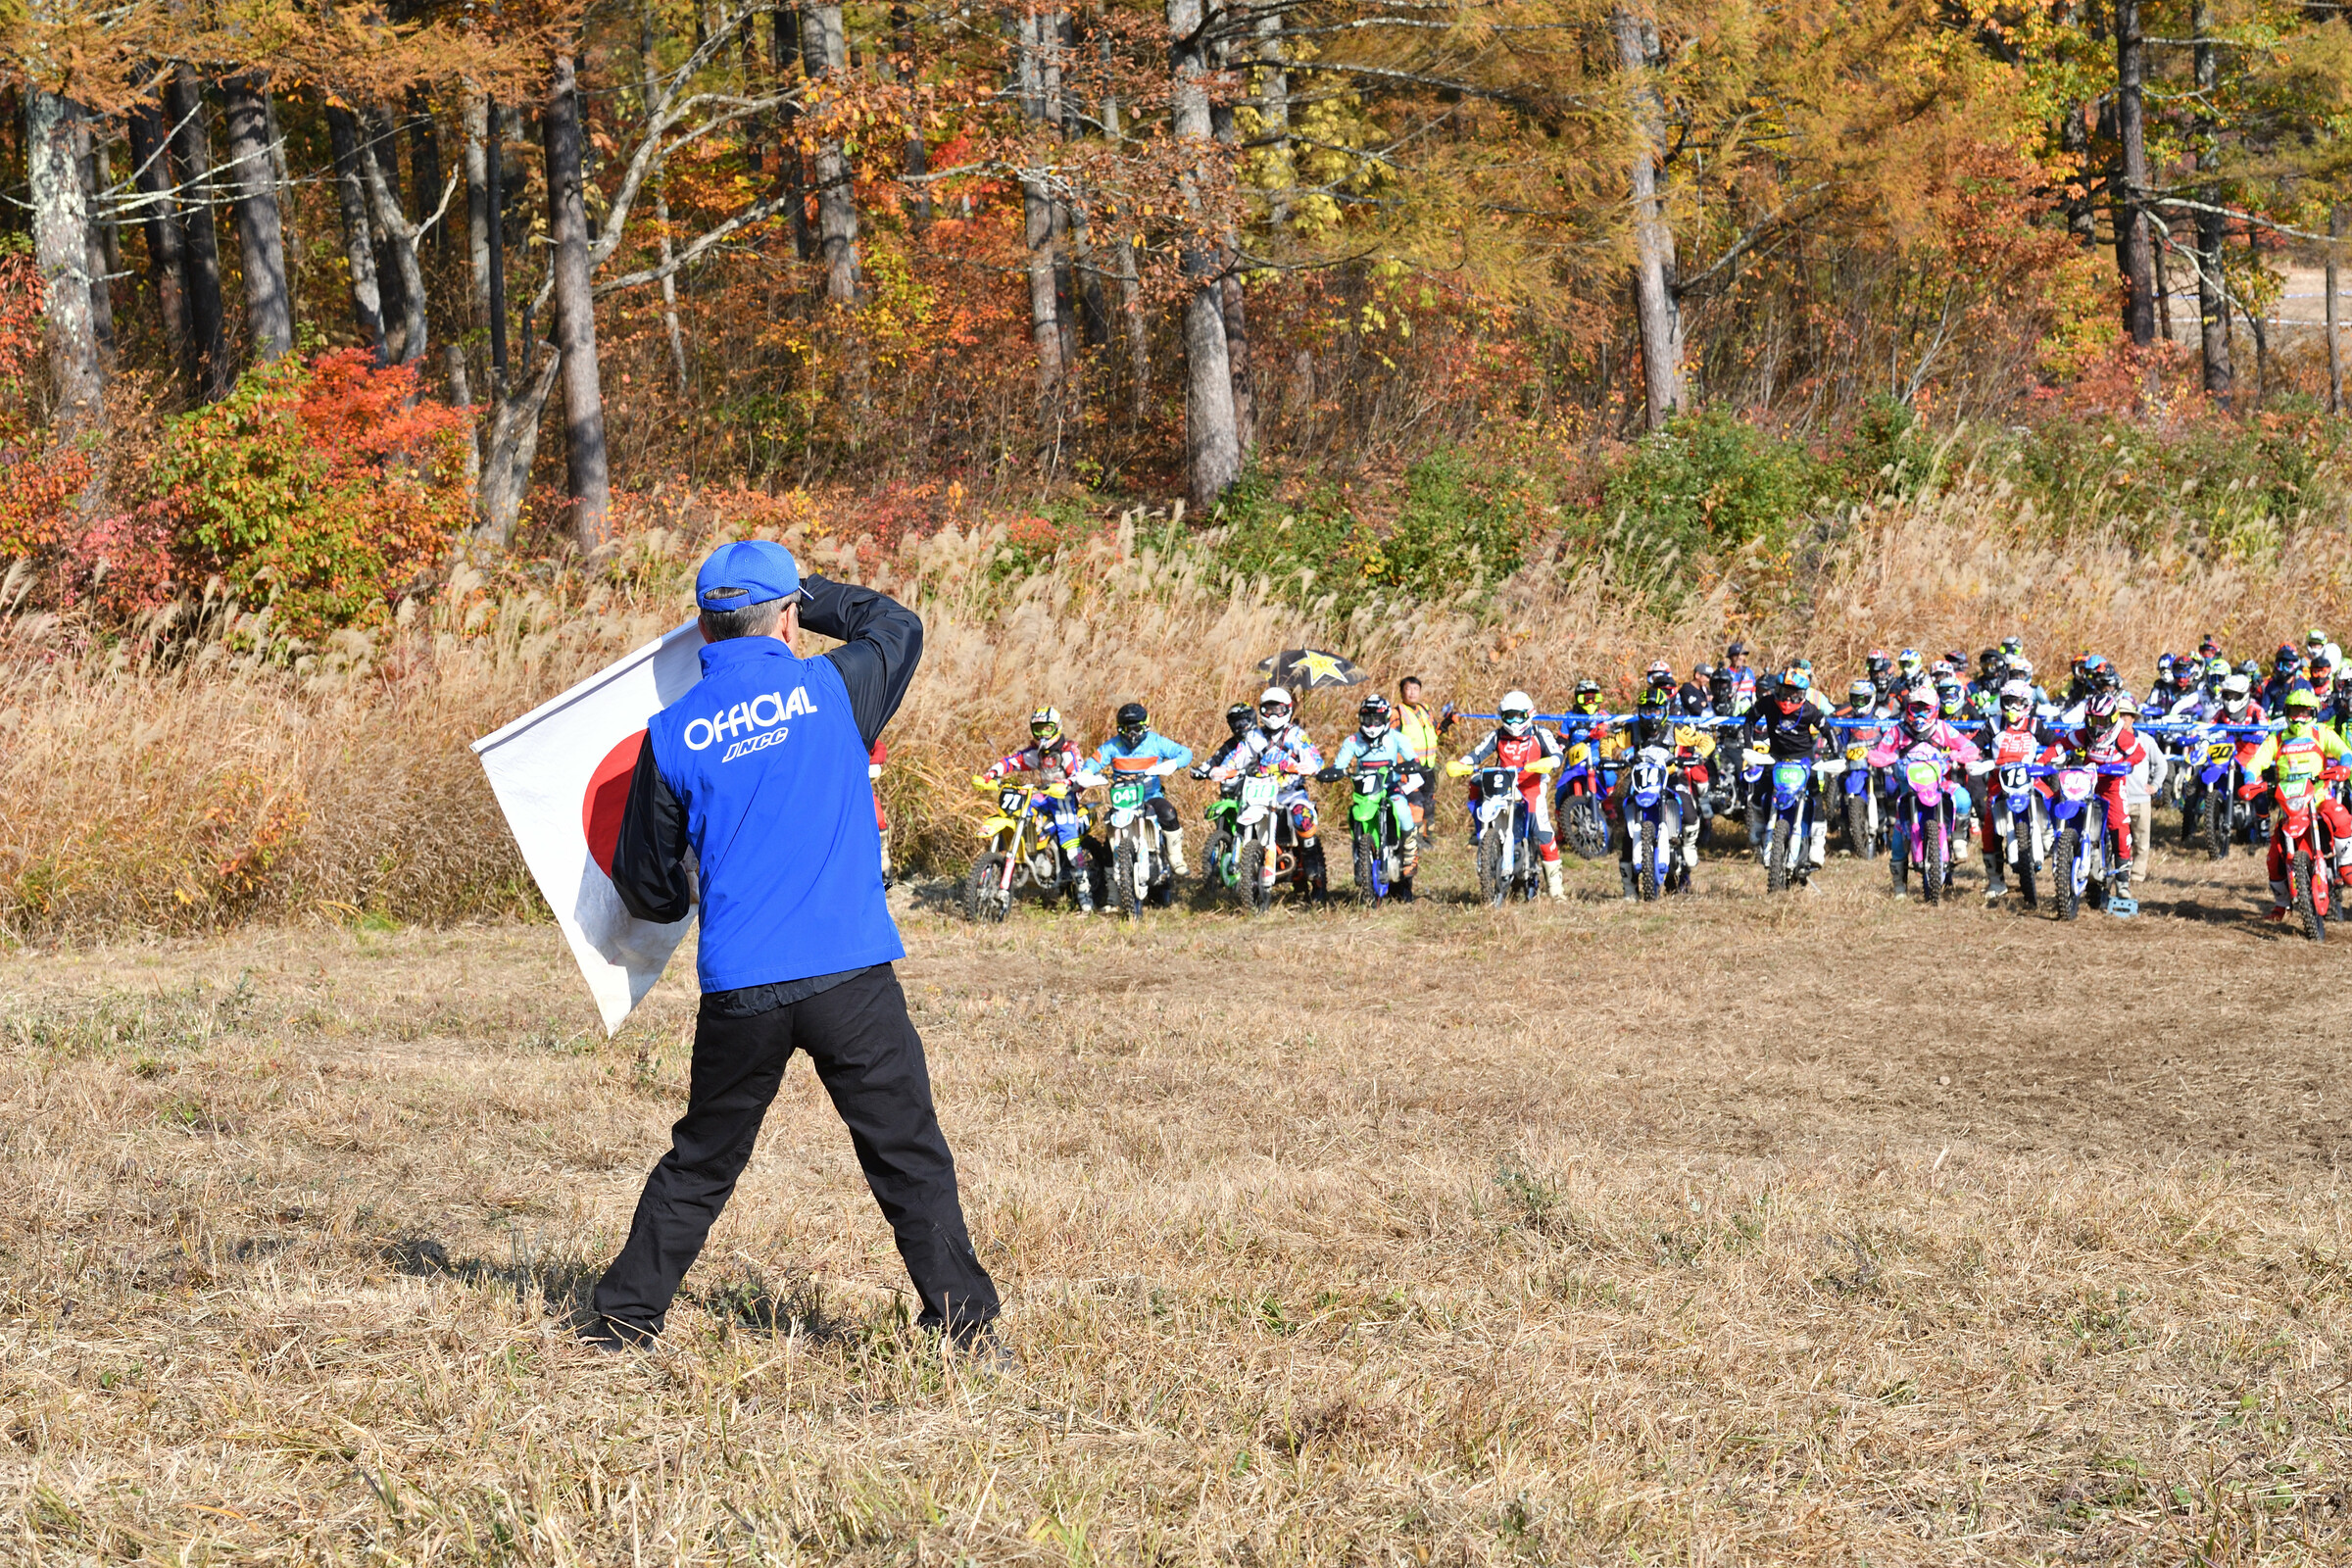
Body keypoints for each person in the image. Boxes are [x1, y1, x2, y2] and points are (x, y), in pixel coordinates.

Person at [593, 539, 1000, 1357]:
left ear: (705, 629)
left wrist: (679, 899)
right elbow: (896, 624)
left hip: (741, 987)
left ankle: (622, 1322)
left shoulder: (669, 736)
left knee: (703, 1159)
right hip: (851, 975)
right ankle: (965, 1329)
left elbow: (643, 881)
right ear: (787, 619)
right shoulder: (835, 688)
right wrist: (808, 592)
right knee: (906, 1153)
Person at [2238, 686, 2352, 919]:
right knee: (2273, 858)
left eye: (2304, 712)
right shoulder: (2277, 738)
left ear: (2313, 713)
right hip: (2289, 806)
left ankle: (2347, 864)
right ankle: (2281, 905)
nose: (2299, 717)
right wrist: (2250, 779)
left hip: (2318, 799)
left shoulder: (2321, 733)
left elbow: (2343, 751)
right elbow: (2256, 762)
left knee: (2342, 818)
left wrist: (2345, 765)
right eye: (2294, 711)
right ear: (2287, 712)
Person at [978, 705, 1097, 914]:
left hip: (1064, 798)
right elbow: (1013, 761)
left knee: (1070, 843)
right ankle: (1028, 853)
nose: (1042, 734)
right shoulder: (1037, 752)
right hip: (1043, 796)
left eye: (1047, 728)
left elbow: (1079, 774)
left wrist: (1068, 783)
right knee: (1018, 811)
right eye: (1038, 729)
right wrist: (991, 774)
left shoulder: (1068, 750)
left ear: (1057, 727)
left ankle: (1084, 896)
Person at [1213, 686, 1329, 899]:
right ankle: (1249, 867)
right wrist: (1223, 768)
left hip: (1291, 794)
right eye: (1268, 709)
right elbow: (1238, 755)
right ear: (1261, 711)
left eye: (1278, 709)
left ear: (1287, 710)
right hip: (1261, 794)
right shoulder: (1254, 736)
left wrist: (1309, 766)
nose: (1273, 714)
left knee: (1303, 819)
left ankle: (1314, 870)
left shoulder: (1296, 735)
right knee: (1242, 817)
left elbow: (1315, 758)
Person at [2039, 688, 2148, 910]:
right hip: (2086, 782)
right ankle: (2066, 849)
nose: (2097, 726)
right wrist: (2041, 761)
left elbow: (2139, 753)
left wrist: (2125, 765)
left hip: (2111, 786)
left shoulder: (2121, 736)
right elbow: (2061, 745)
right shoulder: (2084, 734)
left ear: (2112, 718)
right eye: (2092, 720)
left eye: (2101, 721)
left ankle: (2122, 881)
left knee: (2119, 826)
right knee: (2068, 813)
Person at [1450, 689, 1566, 899]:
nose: (1513, 721)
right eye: (1509, 716)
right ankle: (1482, 833)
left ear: (1529, 714)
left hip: (1531, 788)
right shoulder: (1497, 736)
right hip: (1503, 787)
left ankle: (1557, 892)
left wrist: (1549, 762)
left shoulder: (1540, 733)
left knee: (1543, 833)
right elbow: (1477, 753)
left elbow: (1557, 753)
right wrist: (1462, 764)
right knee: (1476, 783)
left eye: (1518, 716)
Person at [1867, 691, 1982, 897]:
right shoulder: (1897, 731)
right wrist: (1887, 758)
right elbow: (1879, 752)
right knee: (1898, 838)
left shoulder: (1942, 728)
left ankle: (1958, 838)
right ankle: (1899, 886)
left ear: (1934, 710)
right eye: (1916, 709)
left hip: (1939, 785)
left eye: (1925, 709)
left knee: (1963, 799)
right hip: (1908, 790)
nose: (1920, 715)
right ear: (1908, 709)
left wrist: (1957, 755)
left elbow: (1969, 746)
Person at [1325, 693, 1424, 900]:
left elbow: (1413, 759)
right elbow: (1340, 765)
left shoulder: (1396, 737)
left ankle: (1409, 855)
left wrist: (1411, 765)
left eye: (1376, 720)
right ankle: (1359, 856)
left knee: (1403, 811)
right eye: (1367, 719)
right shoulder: (1353, 741)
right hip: (1365, 792)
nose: (1371, 725)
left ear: (1386, 719)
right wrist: (1333, 772)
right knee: (1354, 814)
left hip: (1390, 787)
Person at [1745, 667, 1839, 877]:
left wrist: (1837, 754)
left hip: (1804, 758)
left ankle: (1818, 845)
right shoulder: (1767, 703)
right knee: (1760, 792)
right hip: (1776, 756)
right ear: (1776, 689)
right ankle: (1759, 825)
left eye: (1794, 693)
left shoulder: (1809, 710)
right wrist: (1748, 747)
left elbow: (1828, 730)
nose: (1788, 698)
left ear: (1802, 694)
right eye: (1784, 691)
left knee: (1816, 798)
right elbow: (1749, 720)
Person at [1090, 702, 1194, 876]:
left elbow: (1185, 753)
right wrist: (1087, 773)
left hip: (1150, 797)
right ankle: (1111, 885)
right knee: (1109, 838)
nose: (1132, 735)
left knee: (1168, 813)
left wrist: (1172, 764)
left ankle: (1176, 858)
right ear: (1119, 729)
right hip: (1123, 801)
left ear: (1145, 726)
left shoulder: (1156, 742)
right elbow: (1094, 761)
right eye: (1126, 729)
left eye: (1136, 729)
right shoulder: (1112, 746)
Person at [1980, 679, 2048, 902]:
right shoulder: (1994, 724)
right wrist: (1973, 757)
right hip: (1999, 782)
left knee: (2054, 800)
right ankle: (1996, 880)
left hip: (2031, 780)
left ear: (2027, 703)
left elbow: (2055, 741)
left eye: (2017, 702)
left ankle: (2050, 839)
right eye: (2008, 702)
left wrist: (2059, 753)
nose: (2012, 708)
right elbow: (1974, 743)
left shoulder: (2034, 724)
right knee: (1989, 826)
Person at [1394, 676, 1443, 836]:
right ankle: (1414, 839)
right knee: (1415, 803)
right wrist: (1400, 767)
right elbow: (1391, 741)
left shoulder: (1425, 710)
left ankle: (1428, 836)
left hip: (1428, 766)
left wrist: (1448, 722)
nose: (1412, 693)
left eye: (1416, 689)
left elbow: (1435, 732)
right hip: (1409, 769)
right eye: (1408, 689)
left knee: (1429, 801)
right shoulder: (1397, 713)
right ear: (1402, 692)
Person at [869, 738, 893, 886]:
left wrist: (874, 763)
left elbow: (879, 747)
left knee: (877, 819)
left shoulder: (853, 730)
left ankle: (884, 870)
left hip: (857, 784)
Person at [1723, 642, 1756, 710]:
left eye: (1741, 655)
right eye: (1735, 655)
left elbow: (1754, 689)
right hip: (1734, 709)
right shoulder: (1726, 674)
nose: (1739, 658)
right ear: (1730, 657)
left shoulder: (1749, 671)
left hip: (1750, 708)